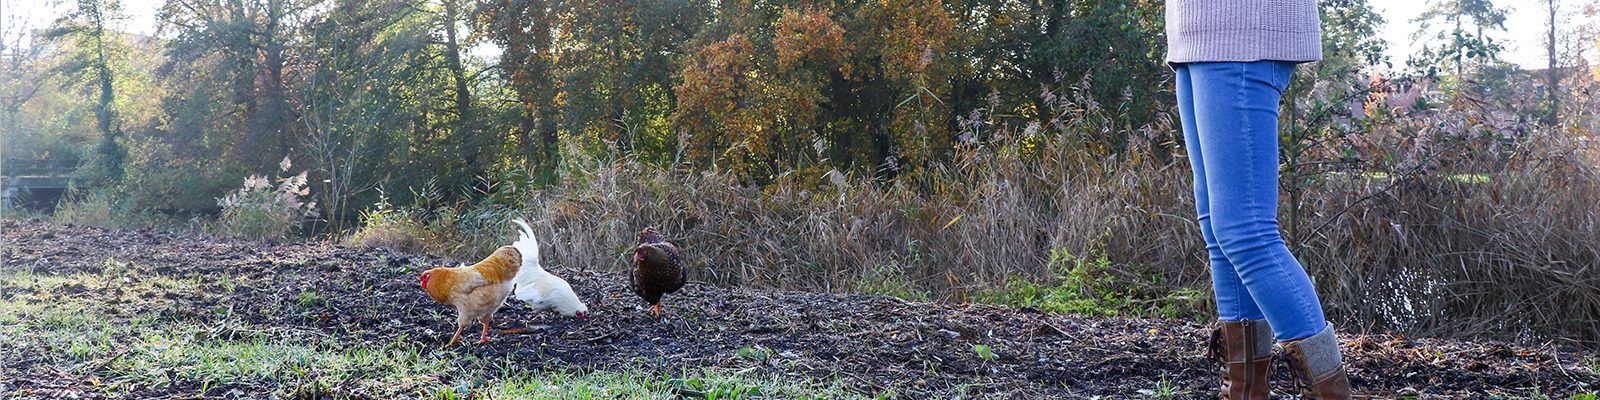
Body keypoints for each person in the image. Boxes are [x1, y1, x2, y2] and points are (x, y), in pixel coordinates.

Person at [1165, 1, 1354, 398]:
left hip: (1242, 34)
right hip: (1194, 37)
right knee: (1218, 227)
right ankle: (1245, 390)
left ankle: (1330, 394)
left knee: (1245, 230)